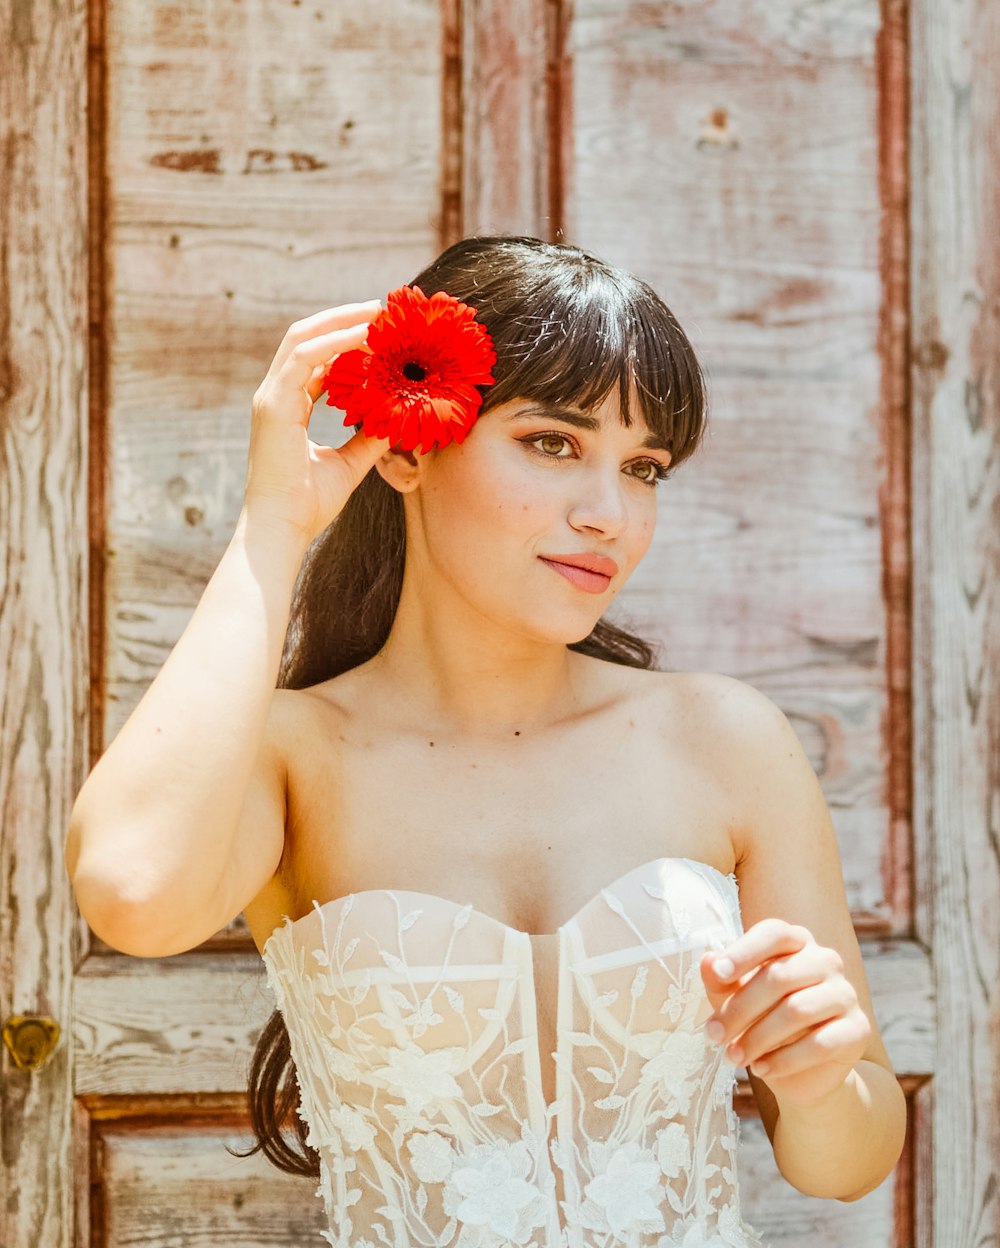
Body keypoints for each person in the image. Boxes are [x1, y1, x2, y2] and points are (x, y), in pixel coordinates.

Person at [65, 235, 906, 1246]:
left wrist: (818, 1076)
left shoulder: (722, 739)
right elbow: (133, 889)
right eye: (553, 442)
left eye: (642, 467)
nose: (609, 515)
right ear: (412, 446)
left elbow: (849, 1158)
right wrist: (273, 524)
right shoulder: (297, 752)